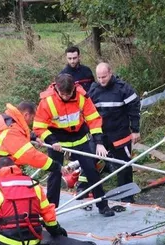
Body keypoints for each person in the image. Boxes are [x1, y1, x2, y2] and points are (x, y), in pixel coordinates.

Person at [33, 73, 115, 217]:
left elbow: (94, 119)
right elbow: (39, 126)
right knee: (55, 173)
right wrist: (52, 141)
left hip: (80, 138)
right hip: (57, 140)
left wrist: (99, 143)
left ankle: (102, 205)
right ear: (57, 89)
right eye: (63, 94)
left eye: (69, 93)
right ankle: (51, 211)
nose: (66, 97)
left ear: (74, 89)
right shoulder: (47, 101)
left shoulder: (82, 96)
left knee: (91, 170)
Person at [0, 101, 67, 190]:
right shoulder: (12, 131)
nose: (31, 122)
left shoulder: (5, 119)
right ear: (26, 115)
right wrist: (55, 166)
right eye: (31, 119)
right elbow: (31, 156)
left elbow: (17, 132)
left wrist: (32, 136)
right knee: (6, 201)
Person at [87, 62, 141, 202]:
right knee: (88, 162)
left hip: (119, 134)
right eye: (99, 77)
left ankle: (127, 197)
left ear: (110, 73)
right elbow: (87, 113)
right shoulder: (93, 90)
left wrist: (135, 129)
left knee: (123, 166)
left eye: (104, 77)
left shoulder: (123, 88)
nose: (101, 80)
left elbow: (134, 107)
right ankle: (86, 193)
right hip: (100, 135)